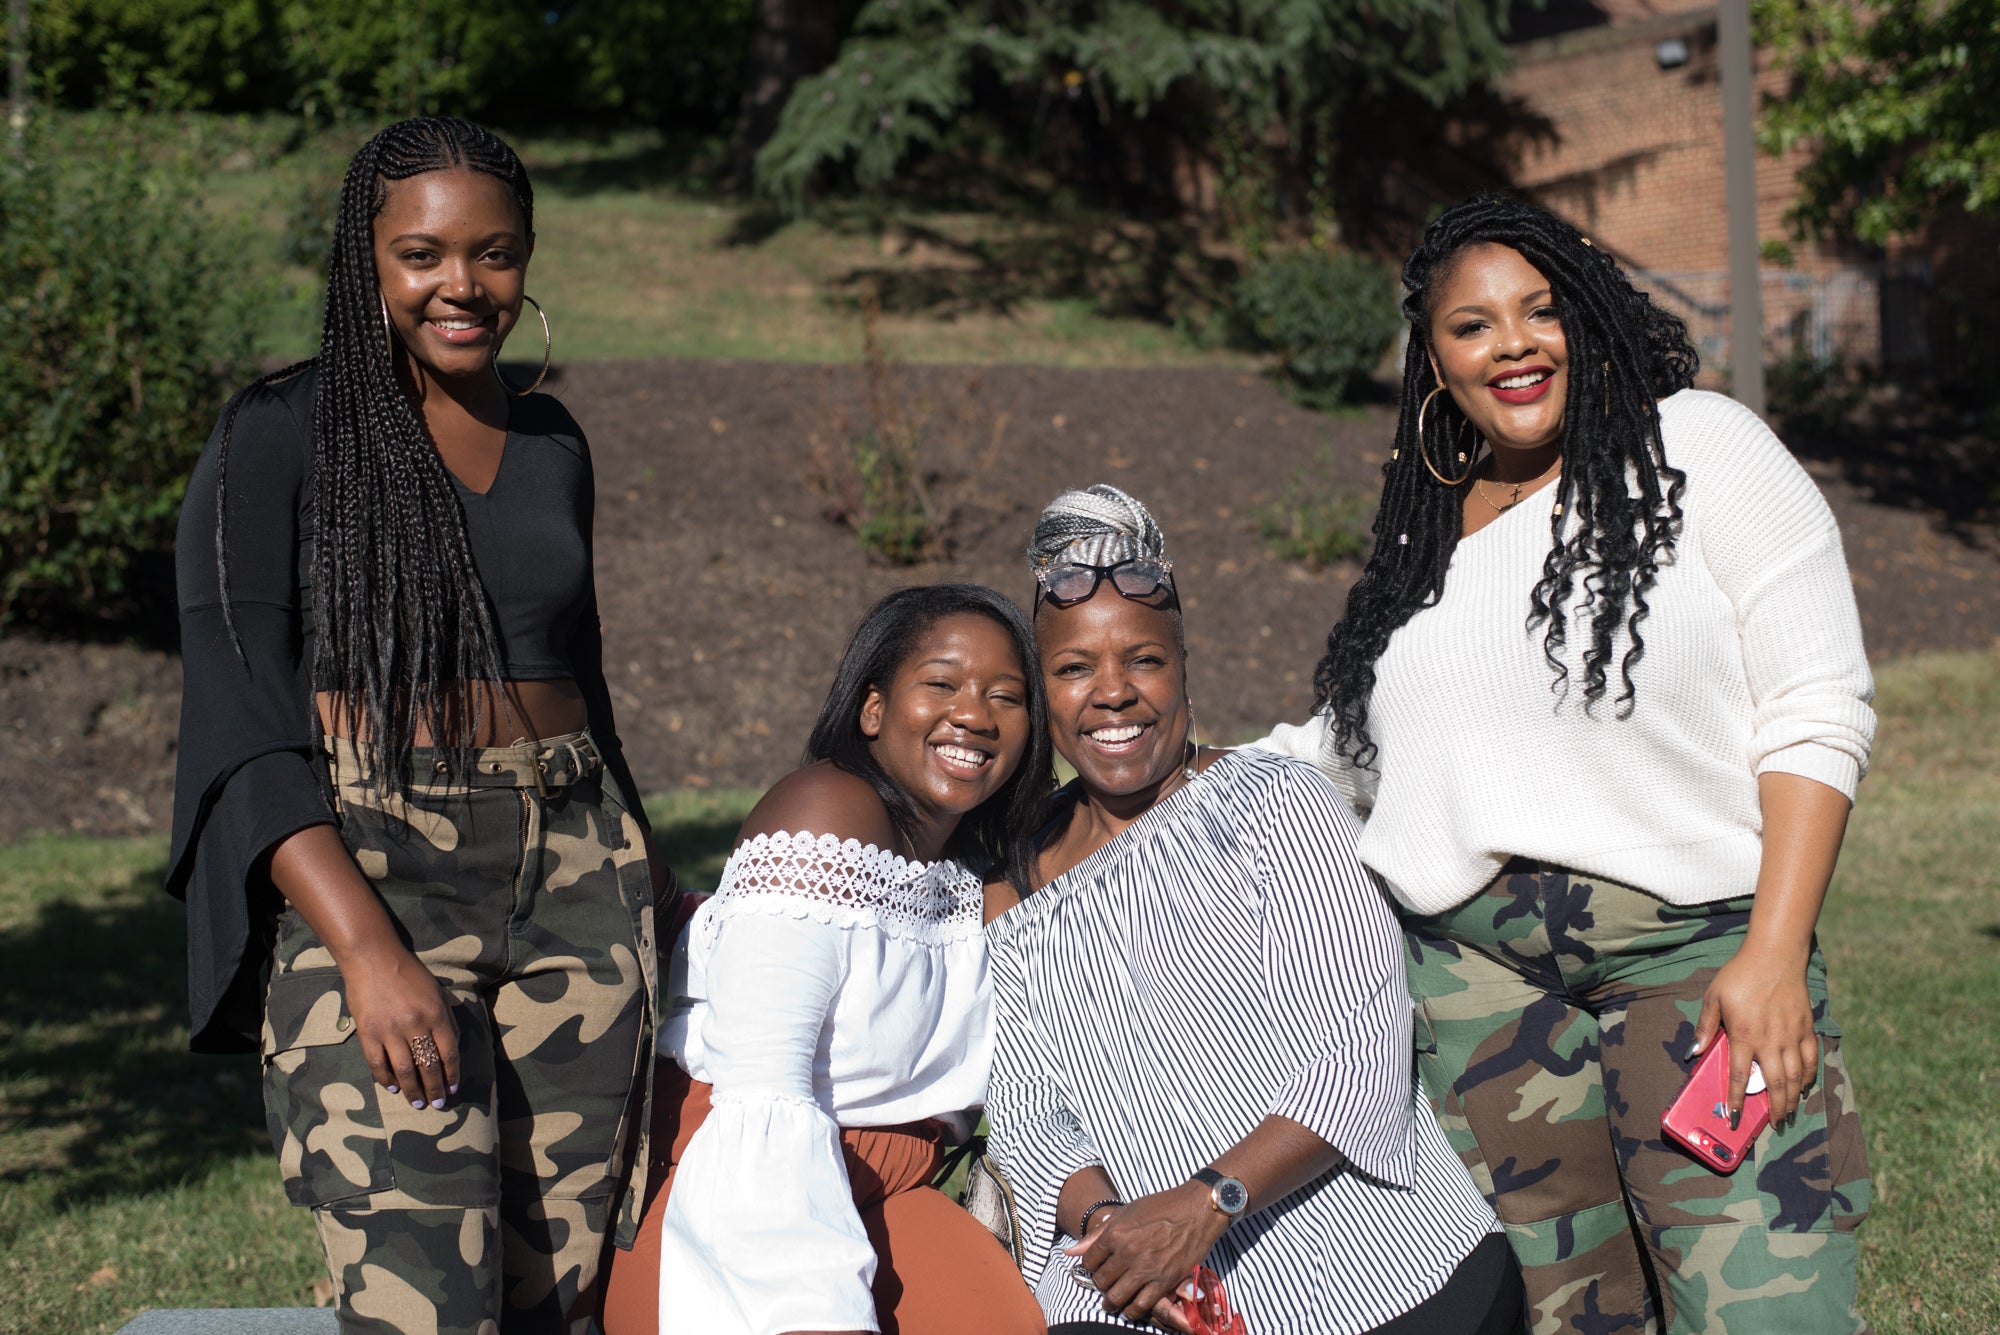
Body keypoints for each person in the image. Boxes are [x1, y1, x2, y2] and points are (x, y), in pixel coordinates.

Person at [1256, 194, 1875, 1333]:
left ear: (1586, 317)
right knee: (1562, 1319)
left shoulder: (1699, 443)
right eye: (1472, 325)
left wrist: (1774, 953)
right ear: (1432, 361)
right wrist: (1174, 779)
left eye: (1540, 311)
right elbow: (1345, 756)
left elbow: (1815, 702)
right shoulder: (1423, 534)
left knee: (1769, 1307)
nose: (1513, 344)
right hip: (1476, 998)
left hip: (1693, 962)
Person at [168, 116, 667, 1334]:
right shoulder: (276, 436)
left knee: (565, 1293)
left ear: (528, 257)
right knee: (421, 1303)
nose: (462, 286)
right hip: (377, 866)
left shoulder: (553, 443)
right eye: (423, 254)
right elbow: (240, 717)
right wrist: (365, 952)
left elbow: (584, 684)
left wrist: (646, 867)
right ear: (365, 260)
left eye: (493, 254)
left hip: (576, 870)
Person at [985, 485, 1520, 1335]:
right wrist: (1108, 1234)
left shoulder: (1275, 805)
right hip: (1135, 1287)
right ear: (1040, 690)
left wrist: (1205, 1205)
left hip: (1375, 1263)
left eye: (1145, 660)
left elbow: (1357, 1050)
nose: (1112, 693)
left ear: (1184, 664)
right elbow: (1026, 1108)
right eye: (1075, 667)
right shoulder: (1010, 886)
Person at [599, 584, 1053, 1335]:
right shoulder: (826, 812)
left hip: (890, 1187)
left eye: (1005, 695)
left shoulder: (978, 876)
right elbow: (762, 1088)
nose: (974, 713)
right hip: (737, 1197)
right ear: (871, 710)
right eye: (941, 683)